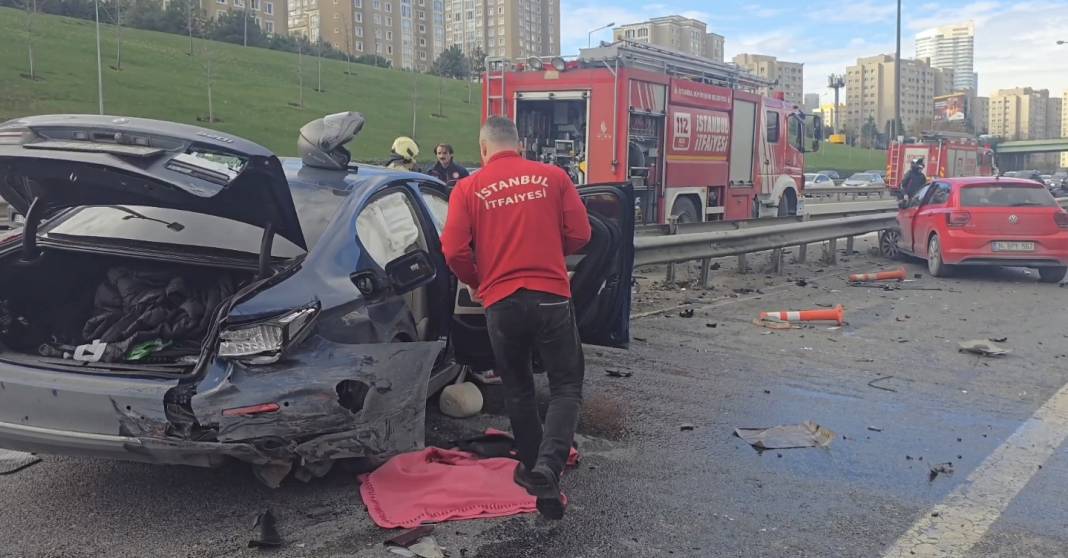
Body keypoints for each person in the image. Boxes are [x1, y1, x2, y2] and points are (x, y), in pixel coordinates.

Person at [441, 116, 591, 520]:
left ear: (483, 147)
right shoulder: (553, 176)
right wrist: (547, 250)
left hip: (501, 302)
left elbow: (453, 250)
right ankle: (548, 468)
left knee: (519, 388)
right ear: (520, 145)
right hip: (551, 298)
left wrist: (477, 281)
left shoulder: (467, 187)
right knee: (565, 386)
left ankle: (538, 479)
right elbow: (582, 234)